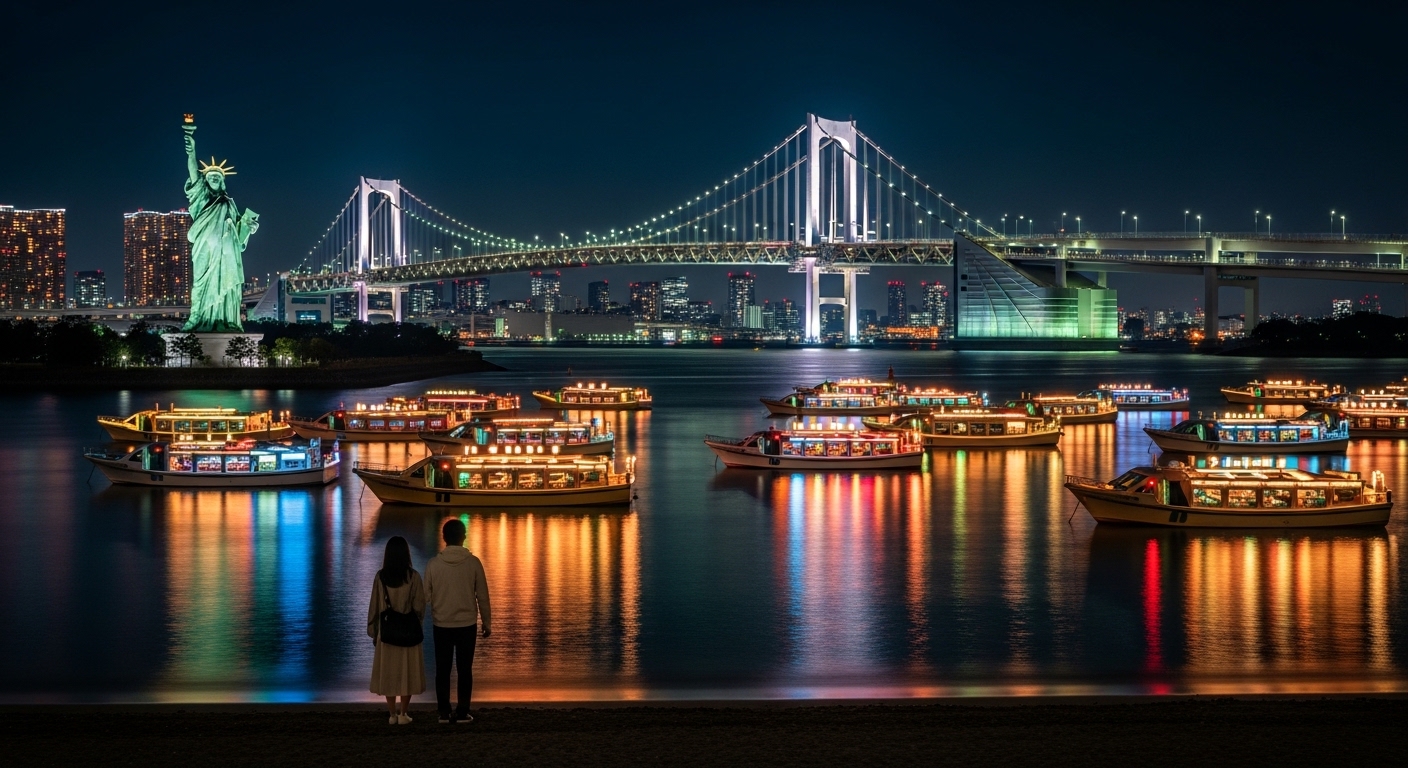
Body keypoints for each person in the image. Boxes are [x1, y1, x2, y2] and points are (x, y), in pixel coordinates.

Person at [424, 518, 491, 724]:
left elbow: (425, 596)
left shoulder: (434, 565)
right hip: (466, 624)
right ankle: (462, 712)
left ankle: (444, 712)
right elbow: (483, 596)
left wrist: (419, 618)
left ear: (444, 538)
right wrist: (487, 623)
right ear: (463, 537)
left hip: (441, 624)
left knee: (442, 670)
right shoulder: (473, 563)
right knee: (464, 669)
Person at [367, 536, 426, 725]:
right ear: (407, 554)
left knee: (389, 672)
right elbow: (419, 606)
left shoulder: (381, 577)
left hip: (387, 632)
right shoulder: (413, 576)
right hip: (408, 631)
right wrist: (417, 622)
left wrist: (374, 631)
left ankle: (392, 714)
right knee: (407, 672)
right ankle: (404, 713)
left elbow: (375, 607)